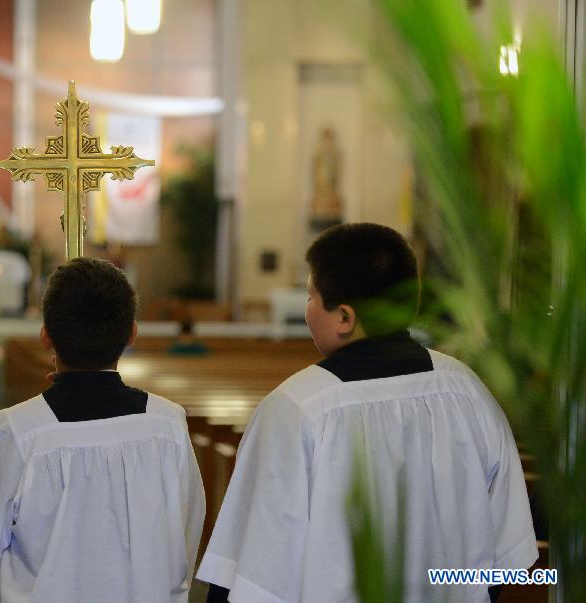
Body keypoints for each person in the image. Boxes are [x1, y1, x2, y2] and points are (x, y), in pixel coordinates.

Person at [197, 223, 537, 602]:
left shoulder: (297, 407)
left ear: (344, 317)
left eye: (311, 297)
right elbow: (507, 556)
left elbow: (249, 573)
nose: (307, 310)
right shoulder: (468, 391)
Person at [0, 257, 205, 602]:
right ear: (132, 333)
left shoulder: (17, 432)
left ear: (45, 337)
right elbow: (186, 535)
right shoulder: (167, 425)